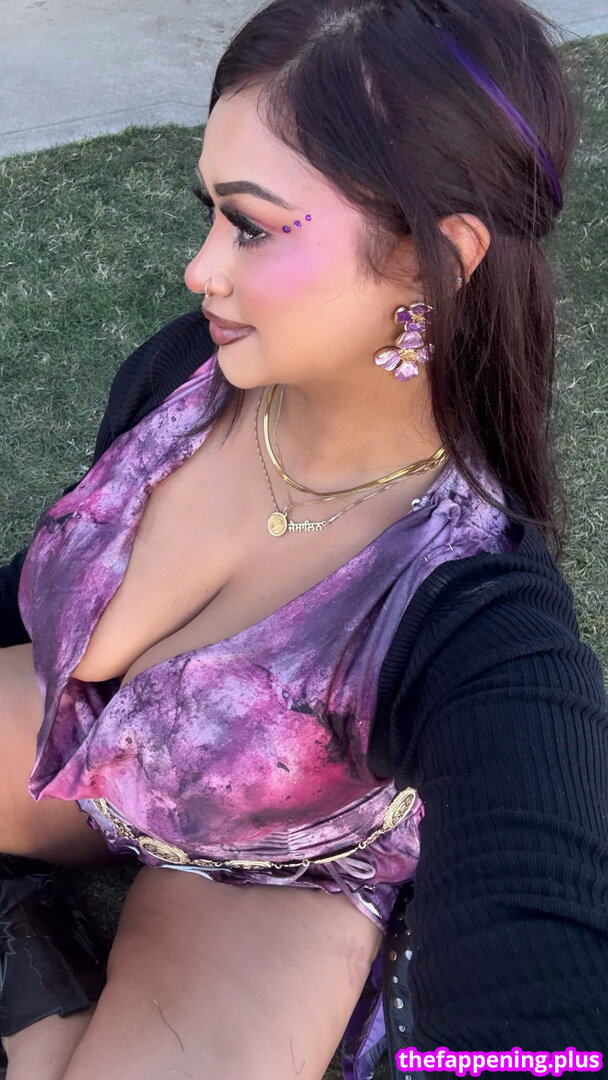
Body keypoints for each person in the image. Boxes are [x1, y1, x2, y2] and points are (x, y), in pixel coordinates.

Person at [1, 0, 607, 1077]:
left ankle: (32, 978)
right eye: (209, 211)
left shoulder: (470, 608)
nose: (199, 270)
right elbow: (33, 576)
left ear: (431, 258)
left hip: (268, 878)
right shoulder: (185, 371)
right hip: (77, 742)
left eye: (249, 225)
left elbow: (538, 947)